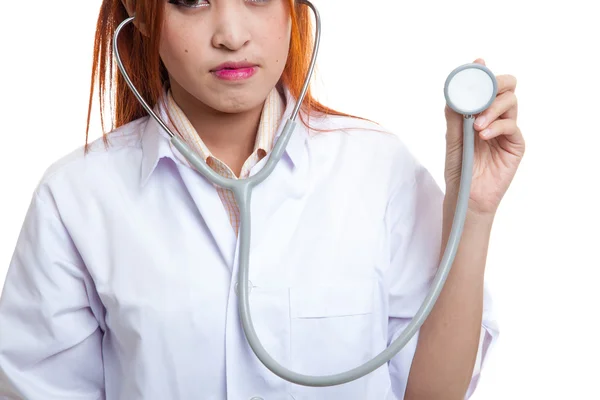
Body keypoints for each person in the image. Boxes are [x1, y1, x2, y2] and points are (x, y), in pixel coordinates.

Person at [0, 0, 525, 399]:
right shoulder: (75, 199)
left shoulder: (377, 168)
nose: (231, 35)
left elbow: (430, 393)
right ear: (139, 11)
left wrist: (472, 212)